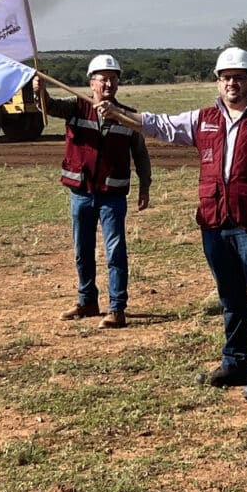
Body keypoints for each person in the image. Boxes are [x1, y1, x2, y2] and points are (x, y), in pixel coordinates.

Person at [101, 47, 247, 401]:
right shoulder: (203, 119)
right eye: (225, 78)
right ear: (217, 81)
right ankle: (235, 362)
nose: (231, 83)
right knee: (230, 296)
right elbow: (161, 125)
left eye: (238, 77)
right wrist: (118, 114)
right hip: (214, 220)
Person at [38, 56, 151, 328]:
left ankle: (117, 308)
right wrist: (39, 91)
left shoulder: (128, 115)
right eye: (103, 79)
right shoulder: (76, 106)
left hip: (112, 195)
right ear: (92, 83)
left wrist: (145, 184)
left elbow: (140, 153)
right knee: (83, 250)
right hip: (81, 193)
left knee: (115, 252)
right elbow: (49, 106)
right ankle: (87, 301)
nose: (108, 83)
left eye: (113, 78)